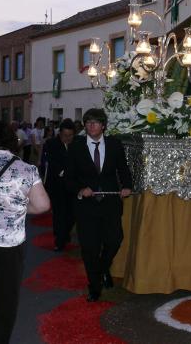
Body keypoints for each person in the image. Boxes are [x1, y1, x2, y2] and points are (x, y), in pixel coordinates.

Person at [0, 121, 50, 343]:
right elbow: (42, 205)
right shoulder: (26, 169)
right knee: (4, 300)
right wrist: (21, 211)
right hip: (9, 246)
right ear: (12, 142)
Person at [65, 109, 132, 302]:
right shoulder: (76, 147)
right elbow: (68, 179)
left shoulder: (114, 145)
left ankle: (102, 270)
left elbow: (123, 170)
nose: (91, 126)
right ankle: (94, 287)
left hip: (110, 203)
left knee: (114, 240)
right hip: (86, 206)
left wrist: (127, 186)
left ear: (103, 126)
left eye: (95, 122)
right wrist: (80, 188)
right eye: (88, 123)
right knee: (90, 248)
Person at [44, 119, 76, 251]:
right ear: (60, 133)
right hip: (57, 185)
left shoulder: (78, 143)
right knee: (59, 214)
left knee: (72, 214)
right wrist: (67, 171)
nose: (67, 138)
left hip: (73, 186)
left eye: (70, 135)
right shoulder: (51, 144)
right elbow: (53, 162)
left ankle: (65, 233)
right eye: (65, 135)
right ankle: (59, 240)